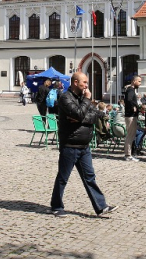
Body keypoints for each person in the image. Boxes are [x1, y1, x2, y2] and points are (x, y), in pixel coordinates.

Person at [50, 71, 116, 217]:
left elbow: (97, 115)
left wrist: (81, 116)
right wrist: (86, 103)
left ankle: (101, 206)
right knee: (63, 177)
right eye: (84, 82)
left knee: (89, 177)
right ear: (75, 83)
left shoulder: (81, 98)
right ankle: (56, 205)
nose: (87, 85)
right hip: (70, 144)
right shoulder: (65, 98)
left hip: (84, 146)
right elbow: (79, 114)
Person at [122, 75, 142, 161]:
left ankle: (129, 154)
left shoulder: (131, 90)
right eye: (139, 81)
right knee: (130, 135)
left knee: (131, 135)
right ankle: (128, 155)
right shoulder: (130, 90)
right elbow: (129, 100)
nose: (140, 83)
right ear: (134, 81)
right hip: (130, 115)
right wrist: (133, 107)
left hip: (131, 115)